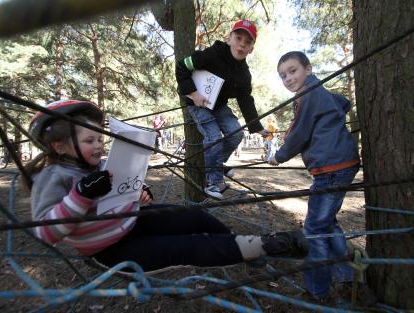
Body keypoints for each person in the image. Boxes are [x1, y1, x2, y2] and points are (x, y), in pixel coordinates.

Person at [24, 99, 309, 273]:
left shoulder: (98, 166)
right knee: (185, 247)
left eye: (100, 139)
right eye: (89, 141)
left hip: (132, 222)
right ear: (58, 145)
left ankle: (238, 246)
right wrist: (82, 194)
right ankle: (265, 246)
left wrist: (138, 192)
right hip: (109, 250)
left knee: (193, 216)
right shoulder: (53, 177)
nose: (99, 145)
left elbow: (119, 192)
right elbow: (45, 233)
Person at [269, 51, 361, 301]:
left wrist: (279, 156)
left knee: (314, 230)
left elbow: (299, 133)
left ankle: (317, 291)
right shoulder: (319, 93)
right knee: (327, 224)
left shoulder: (308, 94)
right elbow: (343, 102)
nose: (288, 78)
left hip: (331, 169)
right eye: (283, 76)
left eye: (293, 70)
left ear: (308, 70)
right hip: (342, 164)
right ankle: (348, 278)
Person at [176, 19, 270, 199]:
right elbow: (182, 66)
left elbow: (246, 100)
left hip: (218, 106)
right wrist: (194, 94)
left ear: (251, 48)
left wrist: (256, 126)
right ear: (229, 38)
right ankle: (213, 182)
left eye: (247, 42)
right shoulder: (212, 54)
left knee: (236, 133)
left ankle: (216, 166)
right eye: (238, 38)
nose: (242, 44)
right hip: (197, 103)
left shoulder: (244, 74)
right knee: (213, 137)